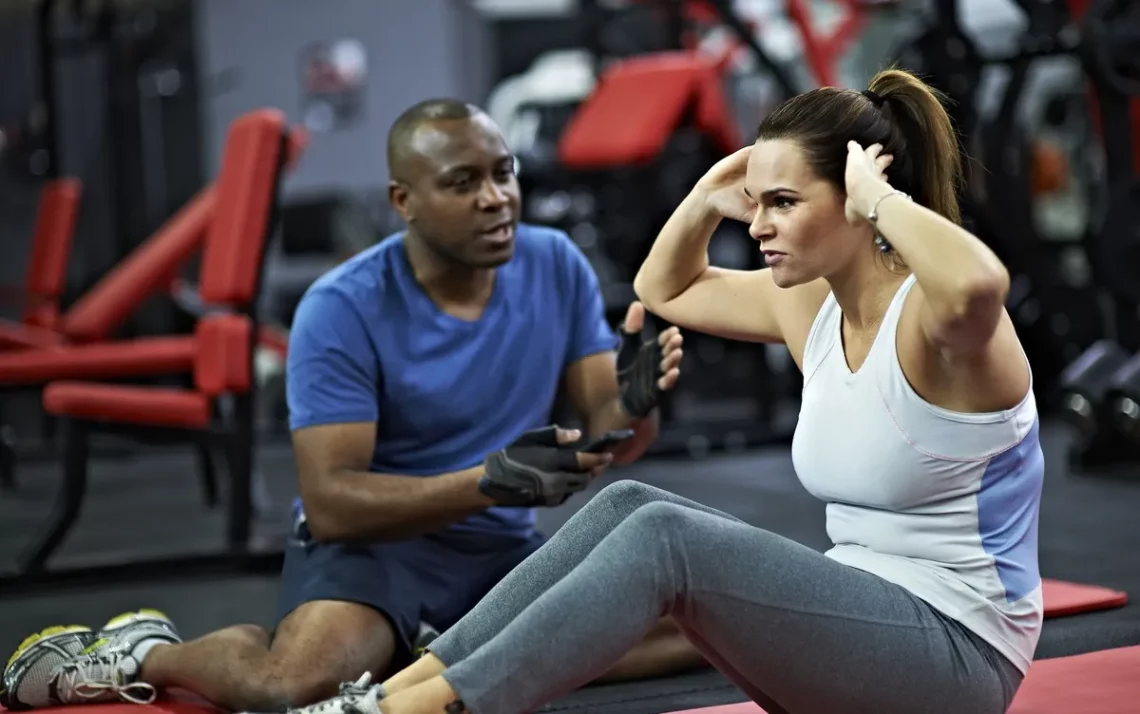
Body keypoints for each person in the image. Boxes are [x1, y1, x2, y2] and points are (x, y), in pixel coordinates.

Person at [267, 67, 1046, 714]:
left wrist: (880, 198)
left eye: (782, 203)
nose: (760, 223)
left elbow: (980, 278)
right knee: (629, 507)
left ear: (853, 195)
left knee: (666, 542)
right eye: (758, 203)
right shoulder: (811, 307)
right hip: (868, 618)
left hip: (955, 658)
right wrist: (716, 188)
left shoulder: (943, 327)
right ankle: (384, 697)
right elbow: (662, 285)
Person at [0, 99, 708, 713]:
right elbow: (334, 502)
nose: (496, 198)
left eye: (503, 173)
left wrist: (637, 406)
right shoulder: (342, 307)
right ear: (404, 201)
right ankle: (145, 653)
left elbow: (607, 436)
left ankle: (429, 658)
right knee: (294, 685)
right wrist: (488, 482)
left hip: (497, 552)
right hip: (373, 553)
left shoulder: (554, 263)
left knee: (701, 626)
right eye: (463, 183)